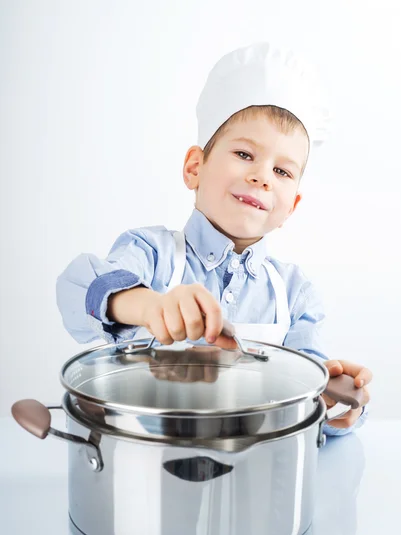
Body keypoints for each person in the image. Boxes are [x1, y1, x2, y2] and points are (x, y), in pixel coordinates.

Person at [56, 42, 371, 435]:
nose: (262, 176)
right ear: (194, 168)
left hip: (254, 473)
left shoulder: (295, 296)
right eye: (244, 154)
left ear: (292, 207)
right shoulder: (151, 254)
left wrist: (332, 402)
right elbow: (77, 288)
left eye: (283, 172)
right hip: (149, 466)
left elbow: (306, 406)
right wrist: (149, 307)